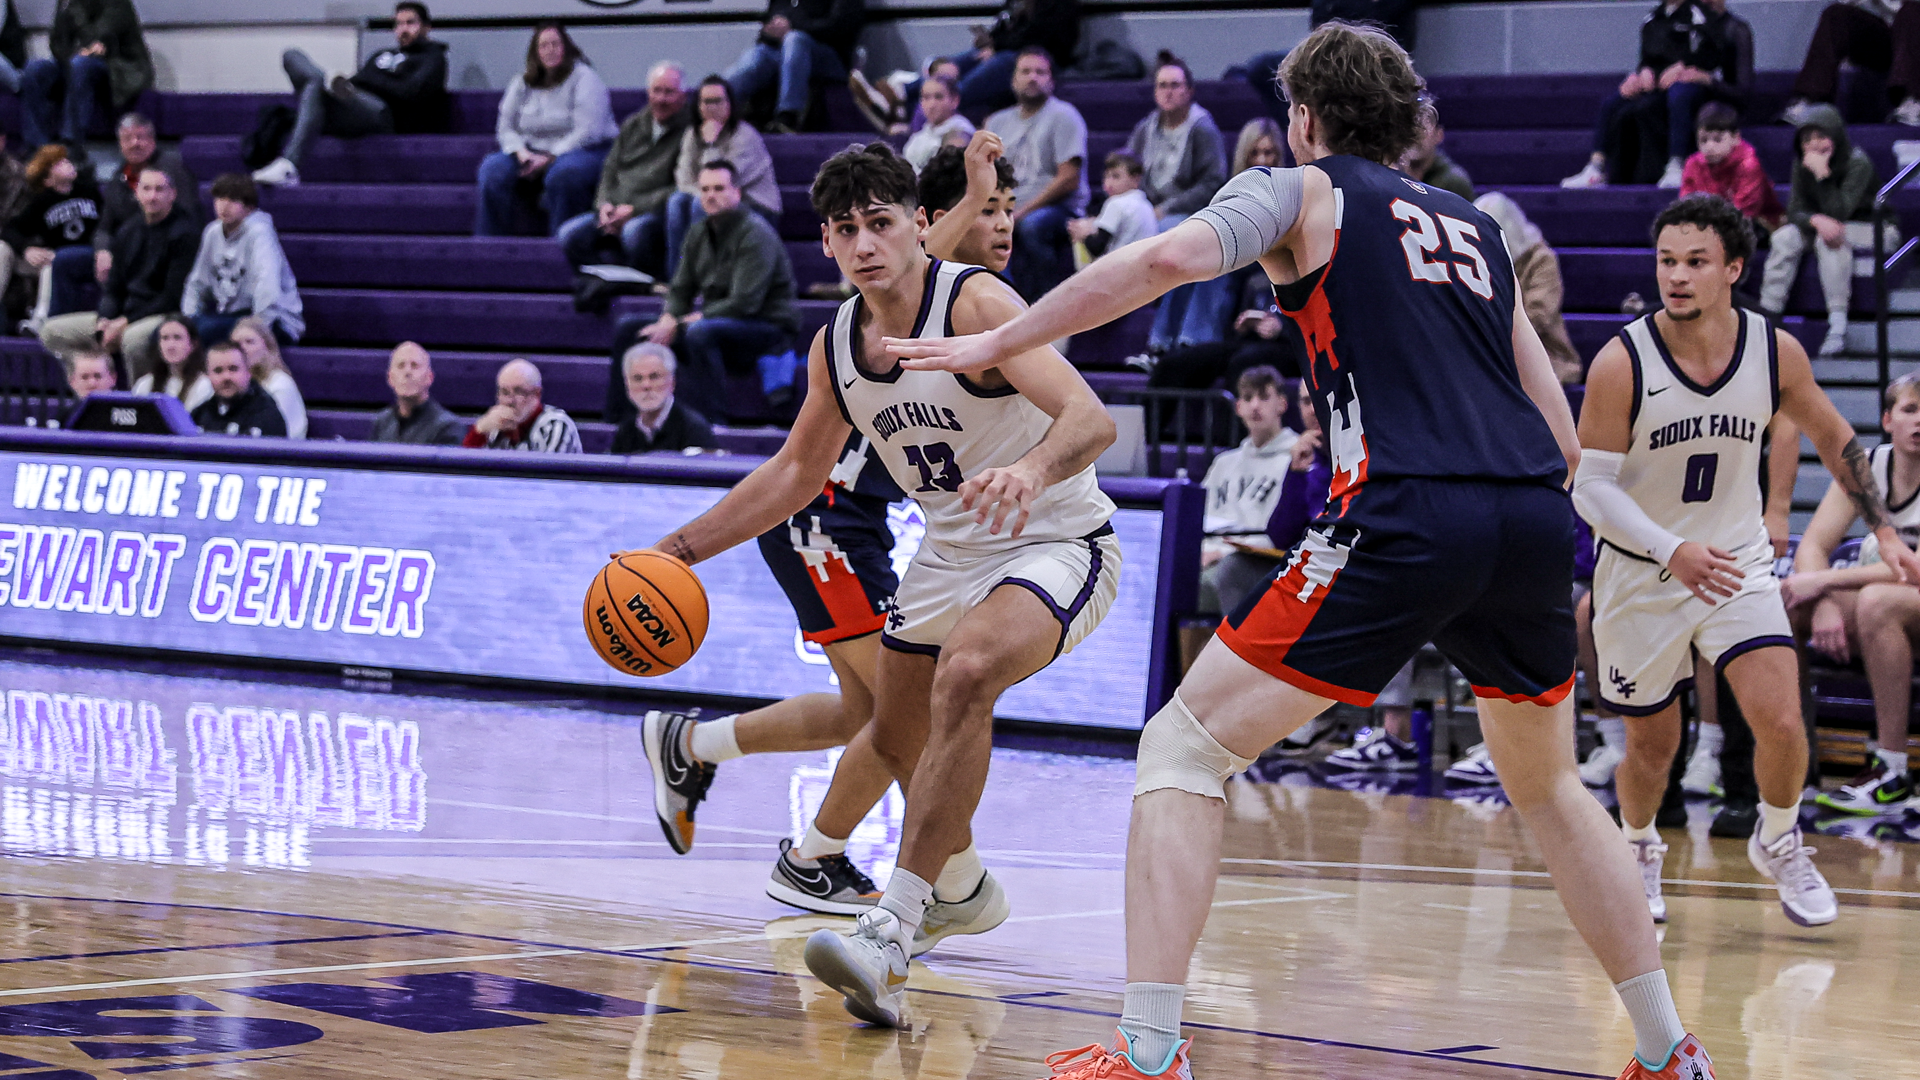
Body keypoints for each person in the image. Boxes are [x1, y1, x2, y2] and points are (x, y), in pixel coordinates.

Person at [886, 24, 1719, 1079]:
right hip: (1522, 521)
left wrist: (995, 340)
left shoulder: (1300, 190)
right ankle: (1665, 1049)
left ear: (1307, 118)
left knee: (1182, 752)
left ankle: (1147, 1052)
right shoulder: (1476, 228)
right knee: (1551, 789)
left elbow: (1162, 259)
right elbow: (1559, 438)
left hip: (1405, 508)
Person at [637, 141, 1118, 1029]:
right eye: (846, 229)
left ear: (918, 227)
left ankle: (892, 928)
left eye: (882, 223)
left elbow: (1091, 419)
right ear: (826, 241)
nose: (866, 244)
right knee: (891, 733)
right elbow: (791, 475)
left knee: (967, 671)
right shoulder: (837, 348)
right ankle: (961, 888)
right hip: (949, 552)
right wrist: (680, 549)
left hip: (1056, 537)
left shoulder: (974, 300)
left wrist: (1034, 469)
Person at [1574, 193, 1917, 933]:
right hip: (1642, 572)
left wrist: (1884, 531)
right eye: (1667, 261)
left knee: (1783, 722)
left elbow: (1836, 439)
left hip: (1734, 563)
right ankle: (1638, 847)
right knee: (1652, 747)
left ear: (1732, 267)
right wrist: (1673, 550)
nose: (1677, 276)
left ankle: (1779, 836)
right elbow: (1591, 488)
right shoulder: (1621, 360)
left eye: (1696, 262)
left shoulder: (1773, 351)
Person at [641, 429, 908, 919]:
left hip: (852, 517)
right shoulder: (880, 355)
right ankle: (815, 862)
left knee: (865, 712)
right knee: (907, 715)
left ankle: (694, 746)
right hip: (825, 521)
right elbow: (793, 461)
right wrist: (673, 552)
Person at [1785, 373, 1920, 814]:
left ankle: (1893, 769)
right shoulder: (1869, 467)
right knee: (1786, 606)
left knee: (1876, 601)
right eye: (1910, 410)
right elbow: (1813, 545)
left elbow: (1912, 570)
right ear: (1887, 420)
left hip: (1902, 599)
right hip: (1881, 602)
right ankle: (1795, 762)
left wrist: (1823, 583)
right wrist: (1820, 603)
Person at [627, 161, 798, 423]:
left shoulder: (755, 234)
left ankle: (713, 427)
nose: (710, 195)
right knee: (632, 329)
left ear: (737, 193)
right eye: (705, 189)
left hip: (766, 329)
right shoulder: (697, 232)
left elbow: (745, 303)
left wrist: (685, 321)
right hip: (720, 323)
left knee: (699, 332)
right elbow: (680, 288)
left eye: (718, 188)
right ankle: (627, 424)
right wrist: (668, 318)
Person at [253, 2, 451, 188]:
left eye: (410, 23)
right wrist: (359, 84)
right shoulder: (382, 55)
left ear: (426, 27)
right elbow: (359, 80)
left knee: (317, 84)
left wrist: (372, 80)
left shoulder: (433, 58)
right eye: (398, 24)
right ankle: (324, 83)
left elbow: (411, 91)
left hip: (383, 114)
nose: (403, 29)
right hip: (355, 104)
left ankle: (289, 165)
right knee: (292, 56)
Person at [1139, 119, 1284, 365]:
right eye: (1255, 153)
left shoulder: (1284, 189)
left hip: (1266, 260)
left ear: (1278, 155)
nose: (1262, 160)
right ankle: (1162, 344)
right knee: (1186, 258)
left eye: (1268, 152)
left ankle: (1196, 341)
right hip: (1236, 256)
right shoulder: (1231, 191)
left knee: (1216, 263)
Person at [40, 166, 195, 374]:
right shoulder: (128, 230)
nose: (152, 196)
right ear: (136, 193)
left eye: (159, 190)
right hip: (123, 315)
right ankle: (96, 383)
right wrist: (105, 321)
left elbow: (172, 297)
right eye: (146, 189)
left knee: (132, 340)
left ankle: (137, 400)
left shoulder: (185, 233)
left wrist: (124, 323)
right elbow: (113, 288)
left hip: (161, 315)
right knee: (52, 332)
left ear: (172, 194)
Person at [1562, 0, 1729, 189]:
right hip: (1657, 84)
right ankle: (1596, 168)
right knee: (1611, 103)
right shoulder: (1652, 18)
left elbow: (1711, 53)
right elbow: (1647, 57)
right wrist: (1643, 72)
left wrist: (1684, 66)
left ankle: (1676, 164)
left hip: (1688, 80)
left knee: (1678, 96)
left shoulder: (1699, 14)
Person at [1759, 105, 1884, 357]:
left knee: (1830, 239)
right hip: (1822, 224)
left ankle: (1838, 325)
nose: (1815, 145)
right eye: (1807, 139)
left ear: (1836, 135)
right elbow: (1794, 210)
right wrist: (1815, 219)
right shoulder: (1801, 163)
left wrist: (1823, 176)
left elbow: (1841, 212)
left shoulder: (1858, 162)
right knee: (1784, 237)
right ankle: (1766, 320)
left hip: (1872, 227)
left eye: (1821, 136)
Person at [475, 23, 617, 237]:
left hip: (583, 150)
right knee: (491, 169)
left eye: (555, 44)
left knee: (564, 174)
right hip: (529, 152)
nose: (550, 50)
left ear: (566, 47)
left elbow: (588, 130)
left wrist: (550, 158)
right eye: (543, 46)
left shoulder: (584, 78)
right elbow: (505, 128)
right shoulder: (521, 83)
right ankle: (489, 247)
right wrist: (522, 153)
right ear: (535, 52)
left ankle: (560, 249)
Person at [557, 62, 690, 276]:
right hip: (614, 211)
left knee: (634, 233)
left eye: (669, 92)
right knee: (568, 235)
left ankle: (644, 289)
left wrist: (634, 210)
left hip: (654, 214)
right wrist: (604, 206)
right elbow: (609, 169)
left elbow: (682, 186)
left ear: (683, 96)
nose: (661, 99)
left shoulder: (690, 132)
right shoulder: (633, 124)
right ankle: (603, 284)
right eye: (656, 91)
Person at [986, 48, 1088, 303]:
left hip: (1058, 208)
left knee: (1033, 226)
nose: (1032, 78)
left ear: (1051, 80)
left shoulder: (1064, 116)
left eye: (1040, 72)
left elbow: (1068, 178)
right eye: (1026, 71)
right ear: (1013, 80)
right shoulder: (997, 122)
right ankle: (1003, 305)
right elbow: (985, 174)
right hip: (1007, 207)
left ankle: (1045, 305)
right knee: (976, 229)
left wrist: (1021, 212)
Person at [1197, 366, 1299, 616]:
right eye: (1248, 397)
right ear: (1238, 407)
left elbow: (1280, 534)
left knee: (1211, 580)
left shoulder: (1296, 458)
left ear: (1282, 404)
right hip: (1209, 555)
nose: (1255, 406)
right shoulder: (1224, 462)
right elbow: (1198, 519)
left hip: (1259, 561)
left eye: (1264, 397)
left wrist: (1220, 553)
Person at [665, 76, 783, 278]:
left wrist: (711, 145)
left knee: (701, 203)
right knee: (676, 202)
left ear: (730, 104)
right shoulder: (692, 135)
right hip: (718, 199)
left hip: (757, 206)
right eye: (706, 102)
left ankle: (706, 278)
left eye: (718, 101)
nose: (712, 107)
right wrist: (700, 193)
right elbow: (683, 180)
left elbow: (723, 182)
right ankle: (678, 278)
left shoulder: (744, 136)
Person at [180, 174, 305, 348]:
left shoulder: (260, 232)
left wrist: (259, 326)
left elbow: (267, 285)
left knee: (205, 332)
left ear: (249, 207)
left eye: (233, 200)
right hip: (230, 315)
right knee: (173, 334)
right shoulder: (212, 232)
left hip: (274, 320)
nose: (224, 205)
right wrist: (188, 319)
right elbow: (197, 283)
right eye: (220, 198)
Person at [1475, 192, 1582, 384]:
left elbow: (1539, 313)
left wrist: (1495, 337)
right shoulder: (1477, 262)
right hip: (1491, 350)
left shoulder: (1541, 259)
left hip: (1543, 352)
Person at [19, 0, 152, 152]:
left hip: (118, 67)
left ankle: (70, 143)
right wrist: (76, 52)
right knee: (34, 68)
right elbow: (57, 44)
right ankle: (36, 146)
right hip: (78, 62)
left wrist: (73, 11)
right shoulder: (68, 3)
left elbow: (98, 35)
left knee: (80, 65)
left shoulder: (118, 4)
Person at [724, 0, 865, 134]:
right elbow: (771, 19)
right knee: (757, 54)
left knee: (794, 39)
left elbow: (842, 25)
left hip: (830, 56)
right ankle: (715, 103)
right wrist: (771, 30)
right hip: (783, 51)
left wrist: (793, 26)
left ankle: (788, 117)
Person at [0, 144, 101, 324]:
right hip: (54, 256)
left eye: (66, 160)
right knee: (3, 248)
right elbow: (11, 229)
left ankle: (40, 321)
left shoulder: (90, 191)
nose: (68, 164)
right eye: (59, 163)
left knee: (56, 263)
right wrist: (26, 249)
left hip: (85, 257)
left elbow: (106, 226)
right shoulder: (42, 202)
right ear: (47, 179)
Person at [1781, 0, 1920, 128]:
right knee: (1836, 14)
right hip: (1887, 40)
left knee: (1911, 10)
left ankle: (1912, 101)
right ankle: (1810, 103)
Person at [1124, 54, 1227, 226]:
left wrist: (1166, 209)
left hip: (1188, 213)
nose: (1168, 93)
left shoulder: (1203, 130)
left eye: (1175, 85)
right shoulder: (1145, 128)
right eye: (1162, 86)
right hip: (1146, 209)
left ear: (1189, 91)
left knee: (1154, 232)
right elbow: (1127, 168)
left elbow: (1211, 184)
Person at [95, 114, 197, 285]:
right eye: (128, 139)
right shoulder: (117, 178)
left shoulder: (173, 171)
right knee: (66, 262)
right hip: (127, 249)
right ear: (120, 145)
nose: (135, 143)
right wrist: (103, 250)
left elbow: (185, 218)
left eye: (140, 137)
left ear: (153, 141)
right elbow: (104, 228)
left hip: (165, 249)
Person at [1679, 102, 1784, 233]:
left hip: (1755, 225)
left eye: (1717, 140)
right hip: (1709, 225)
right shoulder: (1693, 164)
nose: (1709, 147)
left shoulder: (1748, 165)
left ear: (1736, 138)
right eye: (1703, 140)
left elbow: (1745, 211)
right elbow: (1686, 201)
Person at [919, 132, 1017, 273]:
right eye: (988, 211)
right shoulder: (912, 288)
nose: (1005, 225)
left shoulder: (994, 288)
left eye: (1009, 211)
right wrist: (975, 197)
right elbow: (915, 266)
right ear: (942, 220)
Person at [609, 342, 719, 454]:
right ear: (627, 385)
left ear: (672, 382)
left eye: (654, 377)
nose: (646, 385)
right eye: (637, 378)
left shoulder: (694, 429)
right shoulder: (626, 430)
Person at [464, 357, 582, 452]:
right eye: (504, 392)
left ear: (537, 394)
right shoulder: (495, 427)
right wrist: (478, 432)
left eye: (518, 391)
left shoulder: (556, 425)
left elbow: (548, 477)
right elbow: (462, 472)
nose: (510, 401)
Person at [368, 341, 466, 445]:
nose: (407, 372)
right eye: (401, 366)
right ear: (390, 378)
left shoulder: (447, 427)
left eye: (414, 365)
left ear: (429, 377)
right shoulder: (381, 423)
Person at [1067, 151, 1156, 263]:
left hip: (1118, 270)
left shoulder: (1115, 203)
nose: (1108, 182)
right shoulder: (1146, 205)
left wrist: (1083, 234)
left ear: (1135, 179)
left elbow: (1097, 248)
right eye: (1106, 176)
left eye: (1116, 176)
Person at [229, 316, 307, 440]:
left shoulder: (280, 384)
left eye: (249, 342)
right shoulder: (233, 386)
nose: (242, 348)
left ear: (268, 347)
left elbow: (277, 434)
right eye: (236, 344)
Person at [191, 340, 288, 438]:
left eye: (233, 369)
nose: (226, 377)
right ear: (208, 375)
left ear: (248, 372)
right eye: (218, 371)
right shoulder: (199, 415)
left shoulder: (267, 416)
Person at [128, 314, 212, 411]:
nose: (170, 346)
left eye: (177, 338)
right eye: (165, 338)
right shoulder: (145, 384)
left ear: (193, 344)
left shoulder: (203, 385)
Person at [900, 75, 974, 173]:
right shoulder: (920, 134)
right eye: (926, 97)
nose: (932, 105)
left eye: (938, 97)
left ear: (955, 100)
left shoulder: (962, 133)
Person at [1401, 111, 1473, 201]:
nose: (1414, 136)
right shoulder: (1390, 176)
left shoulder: (1454, 182)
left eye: (1422, 129)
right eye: (1409, 128)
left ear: (1439, 135)